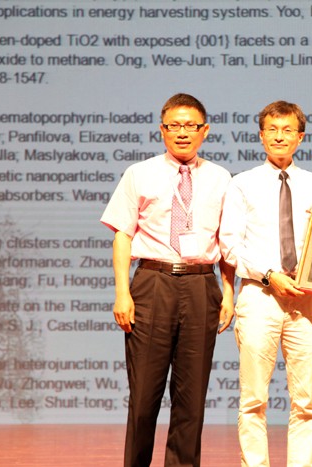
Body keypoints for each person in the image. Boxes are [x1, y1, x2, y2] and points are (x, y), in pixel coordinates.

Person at [100, 93, 234, 467]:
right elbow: (122, 235)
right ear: (162, 130)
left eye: (191, 125)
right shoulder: (139, 173)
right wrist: (122, 292)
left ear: (205, 130)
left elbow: (226, 241)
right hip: (152, 282)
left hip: (201, 284)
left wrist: (228, 292)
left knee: (192, 398)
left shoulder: (221, 178)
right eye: (174, 125)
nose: (182, 132)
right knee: (144, 396)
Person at [219, 101, 312, 467]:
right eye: (272, 129)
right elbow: (230, 245)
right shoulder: (242, 183)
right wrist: (270, 275)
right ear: (261, 136)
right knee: (254, 398)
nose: (279, 137)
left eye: (287, 130)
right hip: (260, 295)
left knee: (306, 401)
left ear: (300, 137)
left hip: (305, 298)